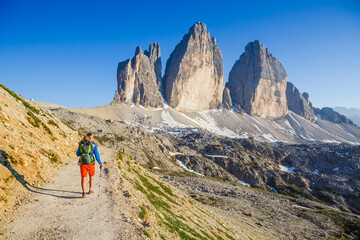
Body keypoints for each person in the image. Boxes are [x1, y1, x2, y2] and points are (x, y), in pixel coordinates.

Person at [76, 133, 102, 198]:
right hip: (91, 164)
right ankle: (90, 190)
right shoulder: (94, 145)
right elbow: (97, 155)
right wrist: (100, 163)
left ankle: (84, 193)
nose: (93, 139)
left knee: (83, 178)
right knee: (91, 177)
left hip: (83, 164)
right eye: (92, 137)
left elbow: (77, 154)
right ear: (90, 138)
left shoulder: (81, 144)